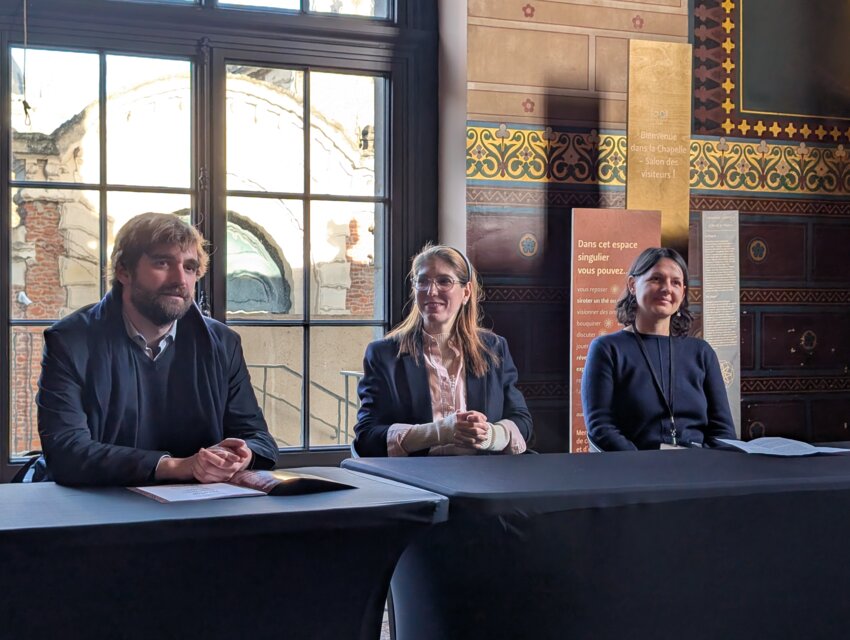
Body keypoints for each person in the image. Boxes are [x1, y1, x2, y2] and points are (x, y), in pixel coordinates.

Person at [36, 212, 278, 485]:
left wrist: (241, 455)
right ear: (123, 270)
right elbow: (66, 452)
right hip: (96, 509)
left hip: (199, 509)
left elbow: (259, 440)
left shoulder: (223, 343)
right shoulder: (69, 341)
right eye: (163, 263)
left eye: (189, 267)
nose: (180, 279)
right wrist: (177, 467)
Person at [354, 244, 532, 457]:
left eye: (444, 281)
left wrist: (490, 435)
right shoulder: (383, 354)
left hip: (485, 481)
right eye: (422, 281)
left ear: (466, 292)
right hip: (414, 483)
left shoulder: (494, 348)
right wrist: (440, 432)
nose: (431, 291)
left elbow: (522, 421)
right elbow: (366, 439)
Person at [581, 247, 736, 451]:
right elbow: (601, 427)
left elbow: (723, 432)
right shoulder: (607, 349)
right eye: (656, 279)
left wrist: (705, 465)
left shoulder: (702, 352)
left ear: (683, 293)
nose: (667, 289)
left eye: (676, 283)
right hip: (636, 472)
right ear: (632, 285)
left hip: (698, 471)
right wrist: (645, 466)